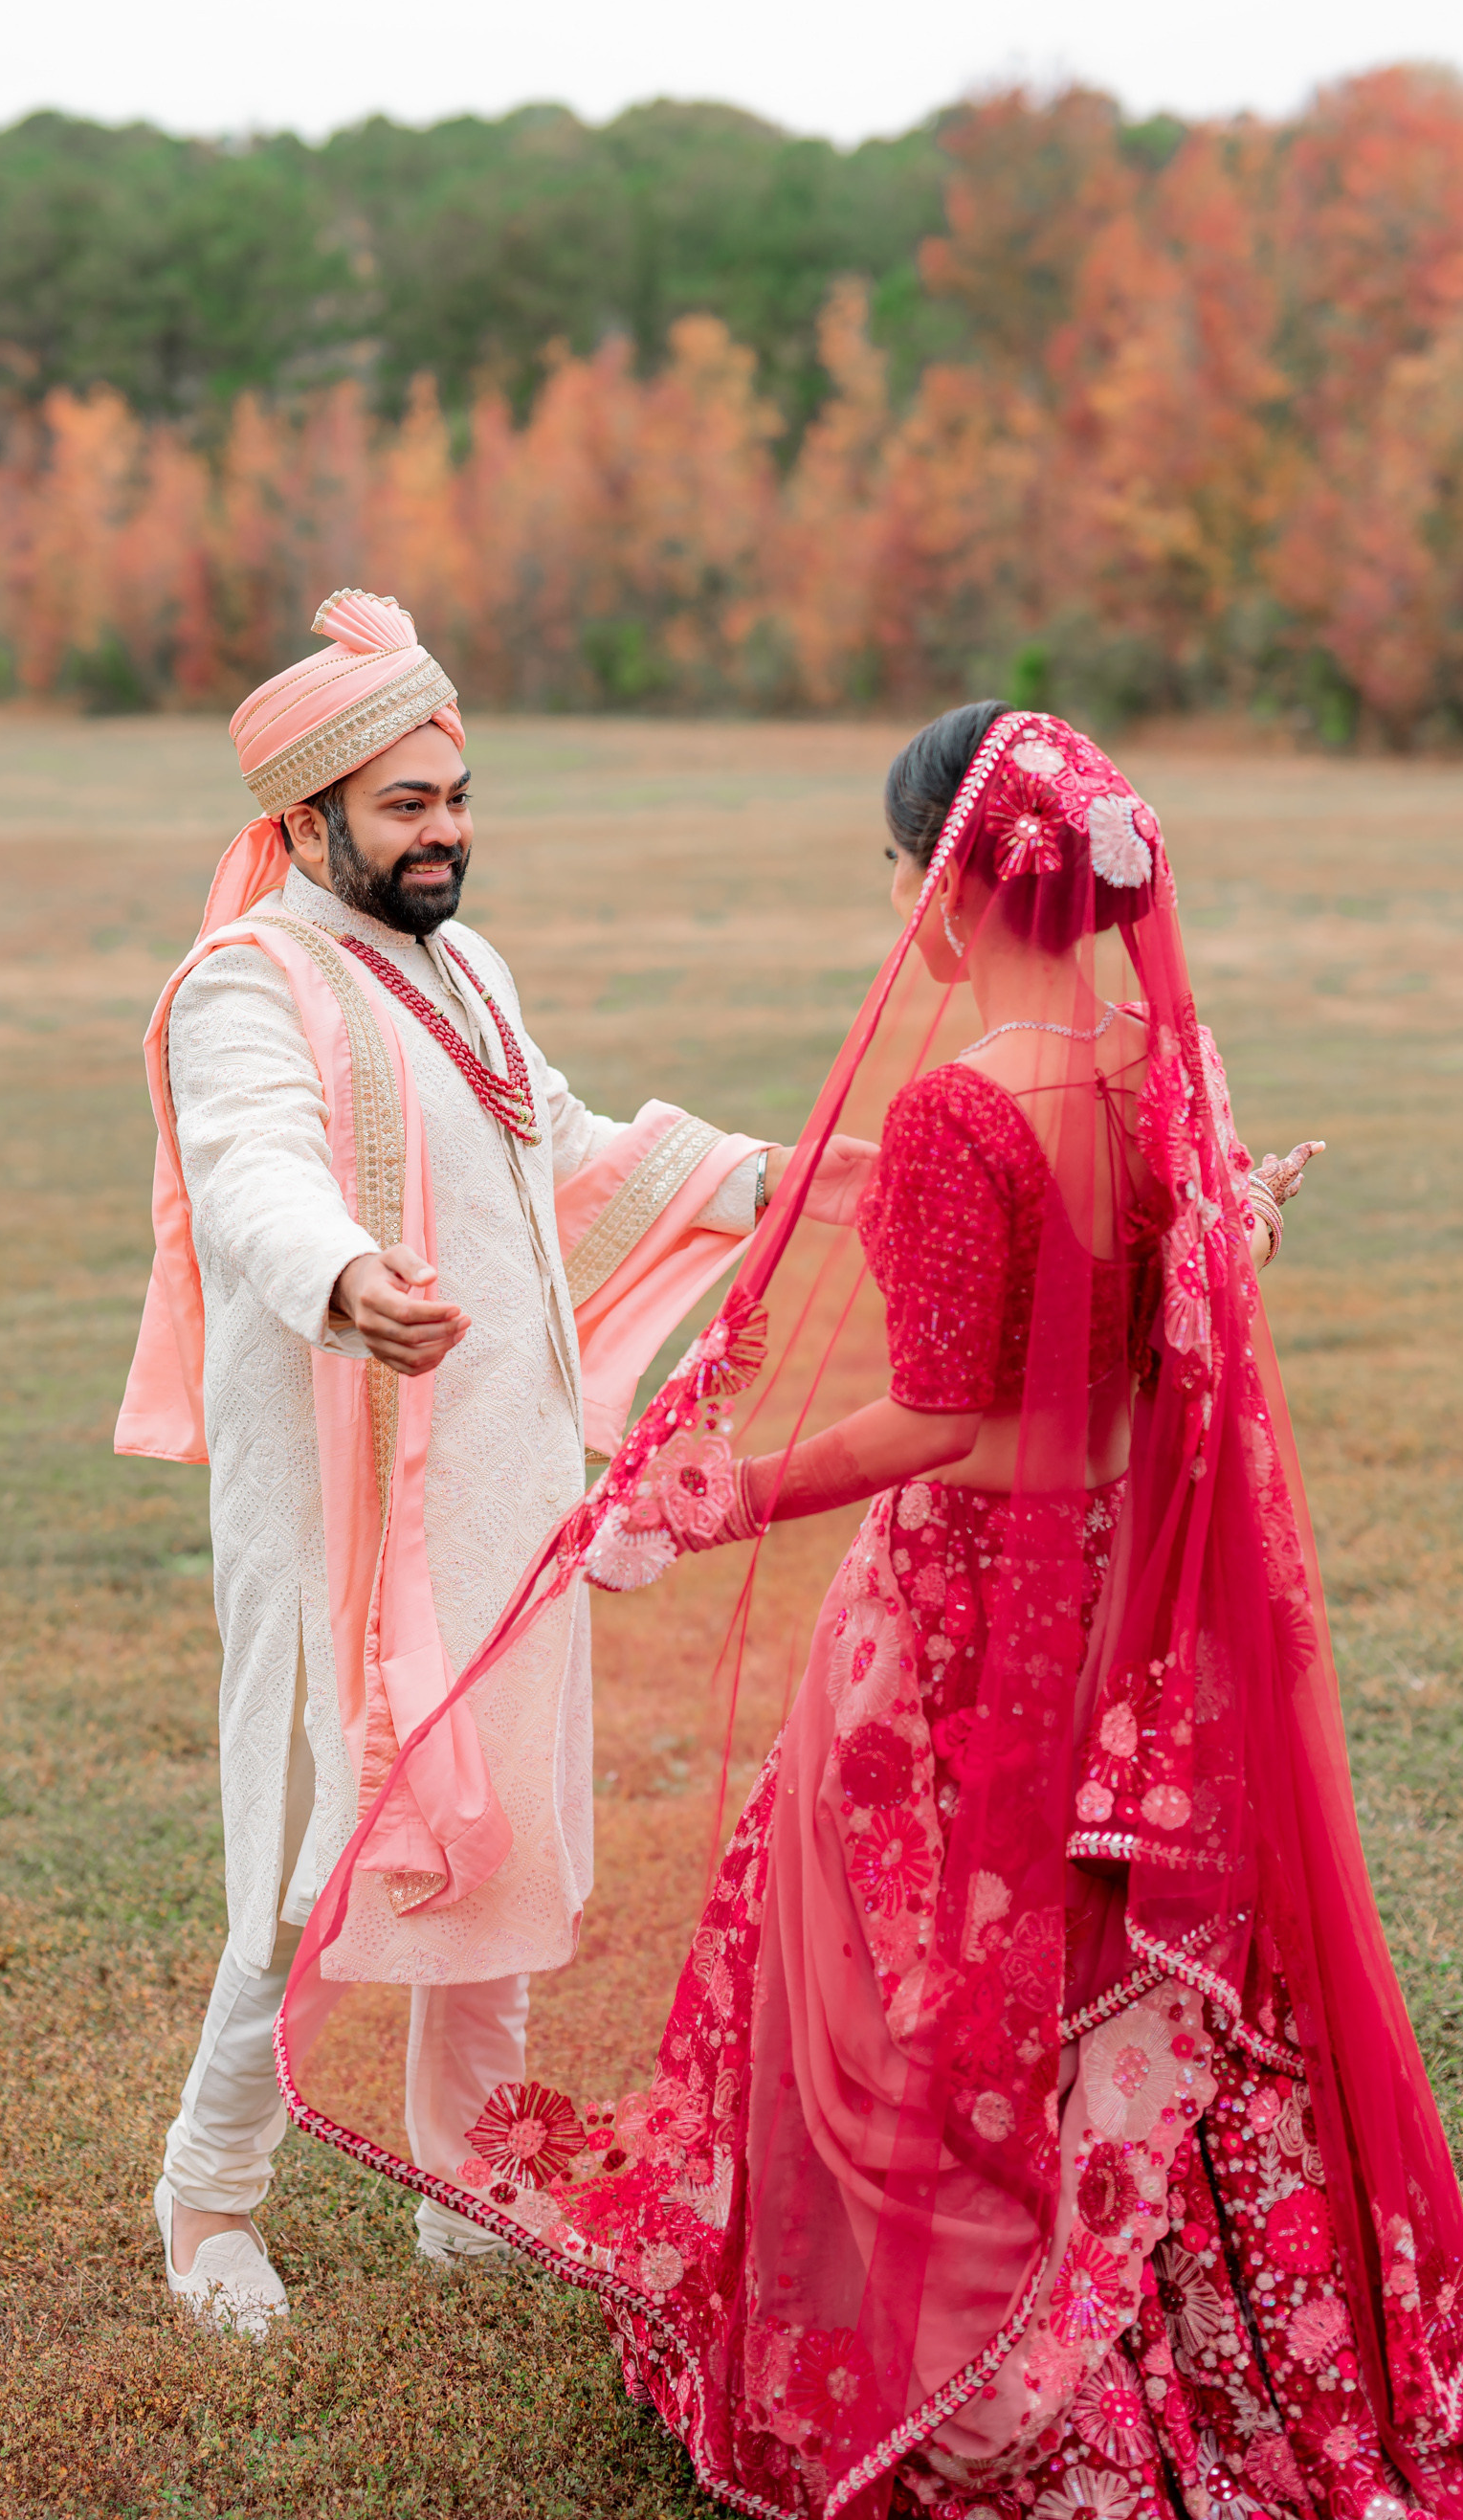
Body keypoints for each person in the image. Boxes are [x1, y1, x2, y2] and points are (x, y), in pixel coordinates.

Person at [277, 702, 1463, 2520]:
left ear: (945, 880)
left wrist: (723, 1491)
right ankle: (1187, 2312)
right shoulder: (1160, 1064)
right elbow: (1161, 1307)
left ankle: (958, 2348)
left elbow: (947, 1420)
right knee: (1083, 1946)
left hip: (970, 1613)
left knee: (904, 1978)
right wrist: (1241, 1231)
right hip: (1127, 1613)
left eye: (899, 867)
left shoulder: (968, 1109)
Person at [115, 589, 871, 2333]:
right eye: (404, 806)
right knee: (314, 1861)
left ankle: (471, 2174)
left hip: (512, 1483)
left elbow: (574, 1150)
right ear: (304, 823)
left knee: (515, 1832)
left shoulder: (467, 967)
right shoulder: (251, 980)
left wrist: (769, 1171)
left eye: (455, 796)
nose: (445, 831)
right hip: (343, 1500)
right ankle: (207, 2201)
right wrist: (343, 1276)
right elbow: (251, 1167)